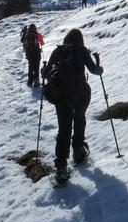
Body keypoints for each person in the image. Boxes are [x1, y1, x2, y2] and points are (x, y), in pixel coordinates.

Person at [43, 28, 103, 184]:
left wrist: (44, 70)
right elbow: (93, 70)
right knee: (79, 118)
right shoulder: (82, 50)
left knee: (64, 129)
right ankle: (78, 152)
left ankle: (61, 169)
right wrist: (99, 68)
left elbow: (46, 73)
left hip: (61, 97)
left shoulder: (58, 51)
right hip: (81, 94)